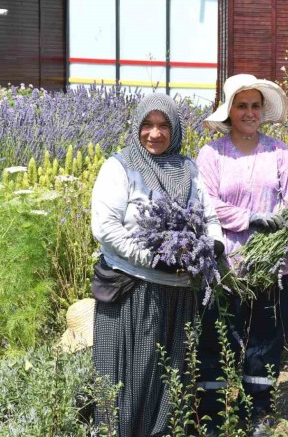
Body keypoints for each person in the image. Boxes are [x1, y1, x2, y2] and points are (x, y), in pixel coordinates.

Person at [91, 93, 223, 436]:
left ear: (175, 129)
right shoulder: (120, 167)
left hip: (178, 292)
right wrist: (153, 259)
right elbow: (106, 228)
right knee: (125, 381)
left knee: (169, 379)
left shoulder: (188, 169)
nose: (155, 133)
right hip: (131, 289)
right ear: (137, 127)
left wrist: (213, 244)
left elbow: (209, 217)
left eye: (164, 125)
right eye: (147, 125)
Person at [197, 73, 288, 436]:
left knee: (266, 337)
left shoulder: (279, 153)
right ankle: (213, 412)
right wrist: (250, 218)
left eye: (255, 106)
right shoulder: (212, 154)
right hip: (227, 265)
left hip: (276, 264)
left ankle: (258, 409)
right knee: (218, 335)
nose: (249, 113)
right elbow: (206, 204)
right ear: (229, 111)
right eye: (241, 105)